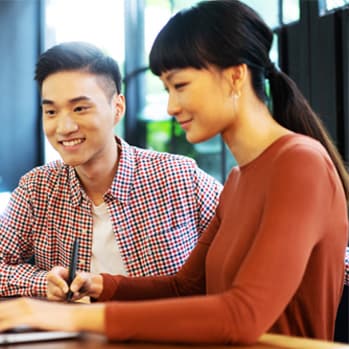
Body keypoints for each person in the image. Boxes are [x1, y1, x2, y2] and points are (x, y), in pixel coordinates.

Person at [0, 0, 348, 345]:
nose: (170, 106)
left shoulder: (300, 164)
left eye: (179, 86)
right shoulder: (239, 180)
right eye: (166, 89)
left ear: (235, 76)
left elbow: (241, 315)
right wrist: (102, 284)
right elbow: (186, 287)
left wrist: (61, 314)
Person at [0, 41, 222, 298]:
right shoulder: (37, 189)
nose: (64, 127)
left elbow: (239, 258)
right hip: (76, 337)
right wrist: (42, 283)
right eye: (51, 111)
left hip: (171, 335)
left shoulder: (179, 177)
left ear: (117, 108)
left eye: (80, 108)